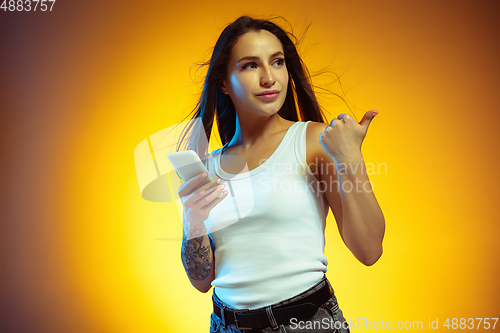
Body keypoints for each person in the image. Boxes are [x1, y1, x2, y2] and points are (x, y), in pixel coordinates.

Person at [175, 16, 385, 333]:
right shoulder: (206, 168)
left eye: (277, 62)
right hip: (225, 325)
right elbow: (202, 281)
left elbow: (369, 251)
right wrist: (193, 222)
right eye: (250, 65)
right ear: (223, 83)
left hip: (304, 323)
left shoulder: (314, 141)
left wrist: (350, 159)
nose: (270, 78)